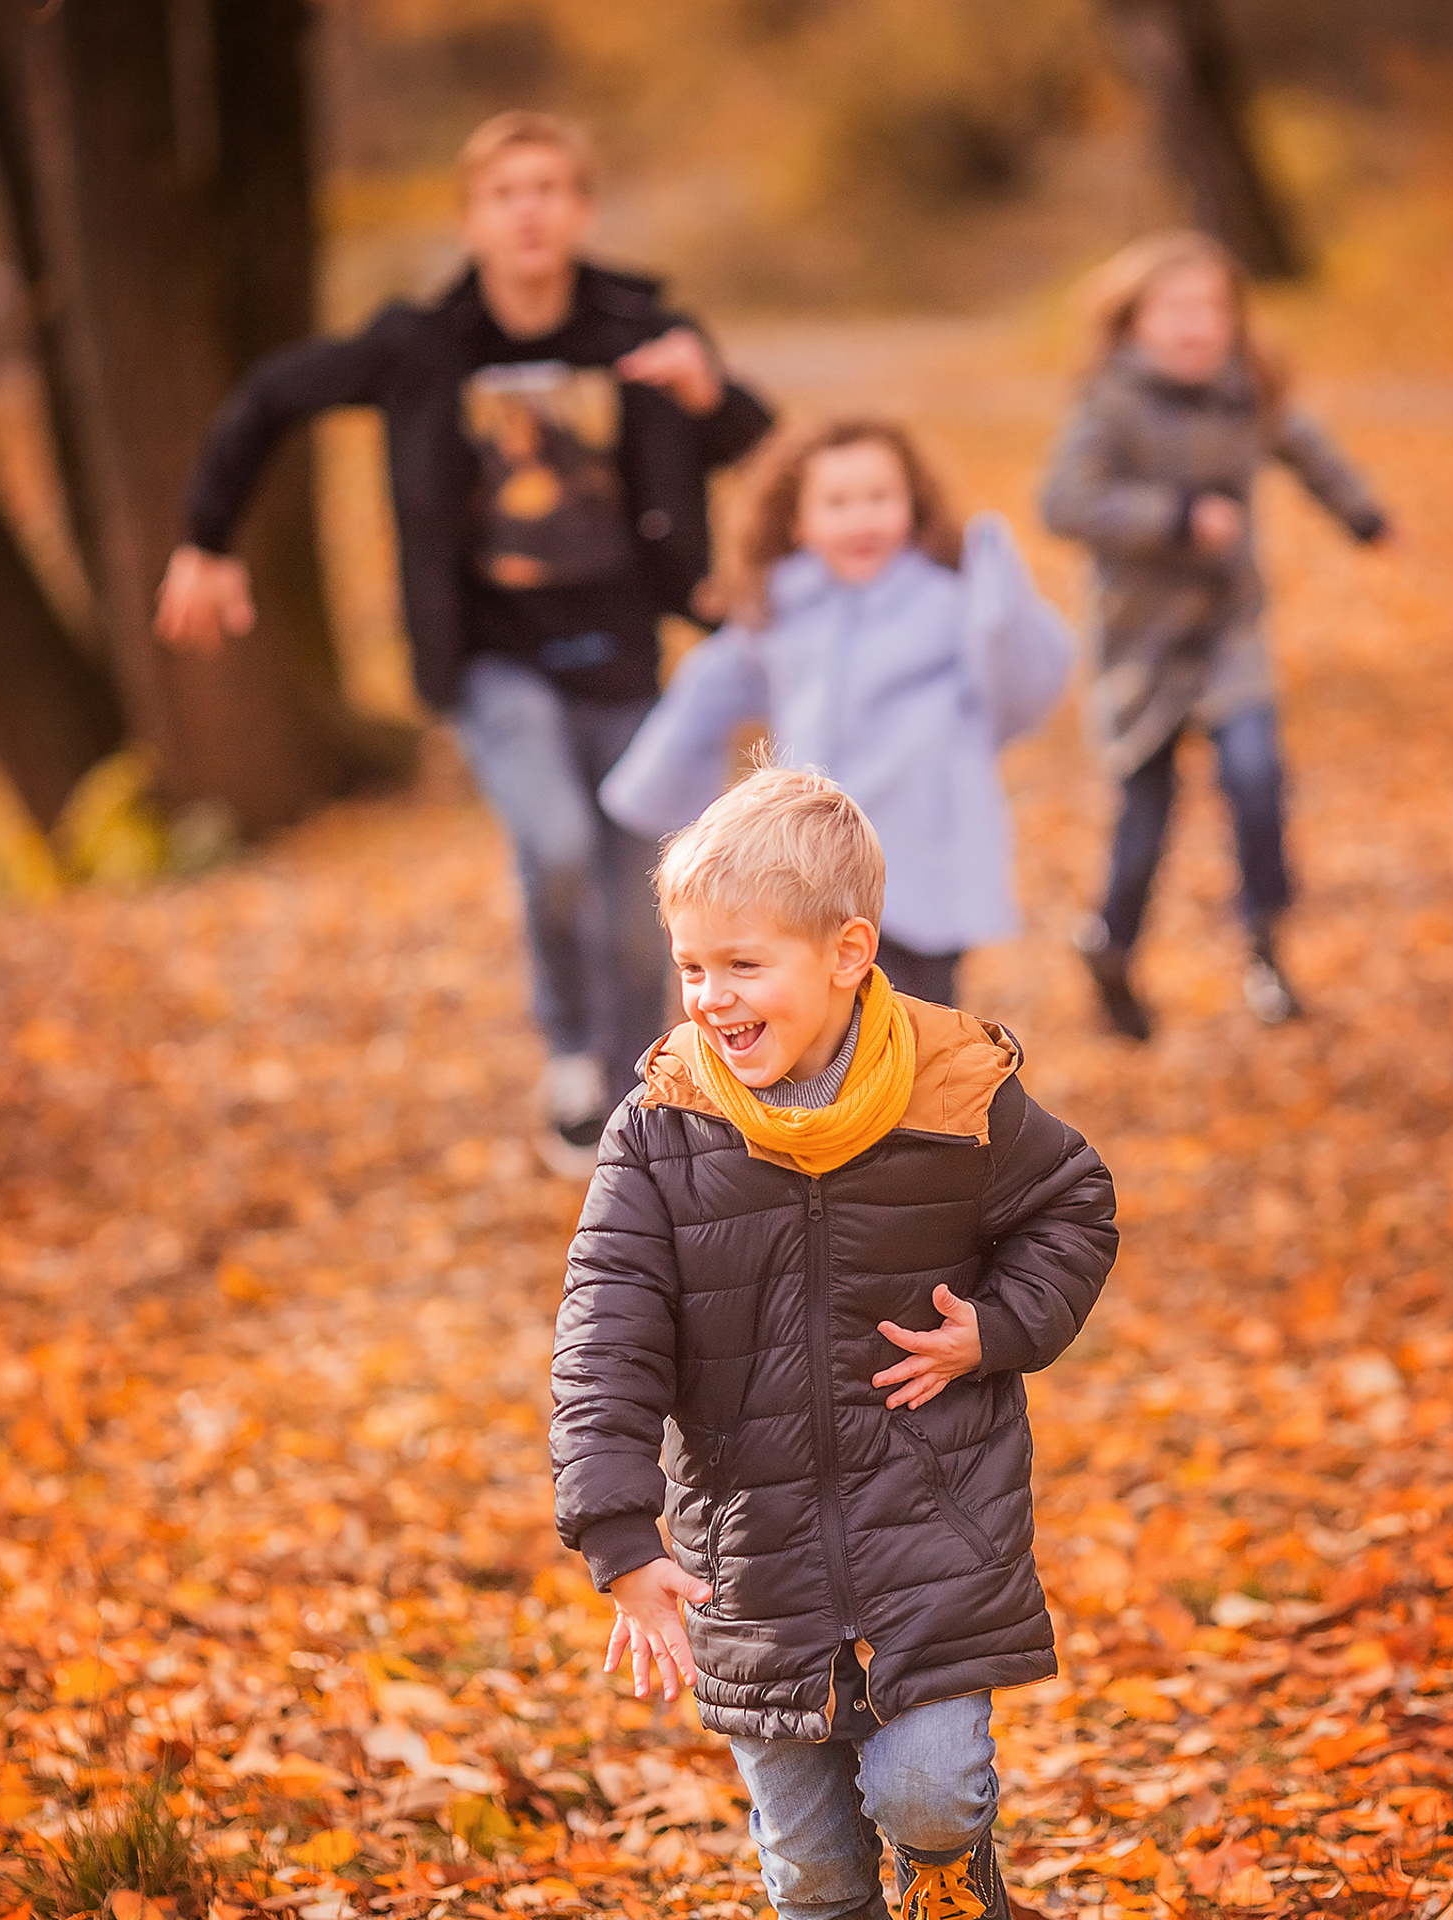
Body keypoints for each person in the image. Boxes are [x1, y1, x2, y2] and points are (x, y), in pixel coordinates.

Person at [154, 111, 774, 1173]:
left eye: (548, 189)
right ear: (472, 219)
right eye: (504, 193)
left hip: (628, 655)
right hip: (492, 664)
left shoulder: (640, 330)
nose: (528, 210)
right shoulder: (421, 345)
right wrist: (207, 540)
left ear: (580, 211)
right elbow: (267, 397)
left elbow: (758, 442)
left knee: (650, 893)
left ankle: (647, 1079)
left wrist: (713, 394)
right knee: (559, 845)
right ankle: (572, 1056)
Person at [550, 767, 1117, 1920]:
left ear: (848, 954)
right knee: (808, 1868)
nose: (710, 996)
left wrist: (996, 1328)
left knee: (931, 1794)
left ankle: (962, 1881)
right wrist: (616, 1531)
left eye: (743, 965)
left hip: (930, 1522)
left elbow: (1073, 1204)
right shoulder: (664, 1128)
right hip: (751, 1557)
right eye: (693, 966)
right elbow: (604, 1328)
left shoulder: (954, 1093)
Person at [1039, 228, 1391, 1042]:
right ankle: (1111, 949)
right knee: (1145, 815)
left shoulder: (1246, 394)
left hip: (1230, 631)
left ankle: (1266, 949)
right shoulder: (1108, 406)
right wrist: (1173, 517)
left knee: (1256, 775)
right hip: (1143, 643)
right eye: (1176, 309)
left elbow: (1308, 449)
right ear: (1133, 324)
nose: (1197, 324)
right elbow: (1063, 503)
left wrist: (1364, 518)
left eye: (1212, 308)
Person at [599, 419, 1072, 1010]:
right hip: (812, 860)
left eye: (879, 499)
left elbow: (1023, 684)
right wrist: (652, 790)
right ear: (800, 523)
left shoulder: (947, 603)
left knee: (917, 1021)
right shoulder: (784, 609)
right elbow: (712, 686)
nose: (861, 519)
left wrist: (1000, 598)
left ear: (911, 508)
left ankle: (918, 1102)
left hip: (923, 852)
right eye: (838, 503)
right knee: (822, 1018)